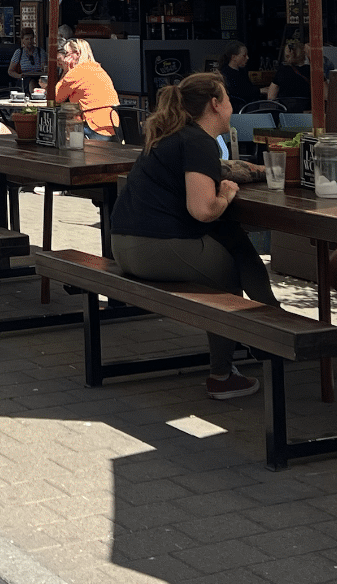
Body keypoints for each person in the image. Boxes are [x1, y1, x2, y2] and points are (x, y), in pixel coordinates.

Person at [111, 71, 280, 401]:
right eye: (228, 100)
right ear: (215, 105)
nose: (232, 106)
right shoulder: (198, 141)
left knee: (234, 242)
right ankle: (223, 375)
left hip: (124, 244)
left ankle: (267, 332)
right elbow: (203, 210)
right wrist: (227, 195)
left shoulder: (175, 136)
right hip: (153, 249)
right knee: (227, 270)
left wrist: (264, 171)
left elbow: (222, 169)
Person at [52, 38, 119, 138]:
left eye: (66, 54)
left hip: (93, 126)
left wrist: (66, 71)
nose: (65, 59)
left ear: (77, 54)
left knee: (58, 131)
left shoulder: (76, 72)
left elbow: (55, 98)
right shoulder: (98, 69)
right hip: (113, 125)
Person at [217, 43, 265, 111]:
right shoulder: (226, 74)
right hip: (240, 109)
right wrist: (259, 91)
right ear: (234, 57)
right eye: (244, 56)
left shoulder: (242, 71)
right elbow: (240, 92)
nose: (247, 58)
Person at [264, 38, 311, 106]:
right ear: (303, 54)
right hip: (306, 111)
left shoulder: (282, 71)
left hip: (286, 111)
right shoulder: (310, 71)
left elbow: (271, 97)